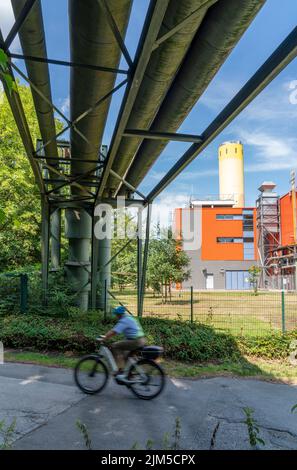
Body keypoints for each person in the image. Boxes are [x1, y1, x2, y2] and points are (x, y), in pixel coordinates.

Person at [102, 306, 146, 381]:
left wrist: (104, 337)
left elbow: (114, 332)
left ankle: (121, 370)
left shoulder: (124, 320)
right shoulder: (130, 318)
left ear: (119, 315)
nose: (116, 316)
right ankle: (129, 374)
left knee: (115, 346)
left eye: (116, 315)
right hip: (141, 340)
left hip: (136, 341)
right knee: (126, 355)